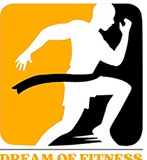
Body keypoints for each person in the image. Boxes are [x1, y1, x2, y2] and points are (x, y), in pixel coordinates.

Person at [14, 2, 134, 147]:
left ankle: (103, 129)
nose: (113, 22)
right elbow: (48, 32)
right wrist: (28, 51)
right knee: (67, 125)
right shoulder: (79, 27)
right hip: (76, 82)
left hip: (90, 80)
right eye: (110, 18)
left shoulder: (99, 40)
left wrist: (125, 34)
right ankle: (37, 149)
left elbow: (116, 60)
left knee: (123, 88)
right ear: (101, 16)